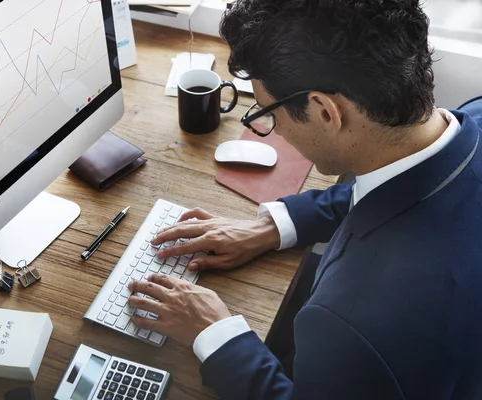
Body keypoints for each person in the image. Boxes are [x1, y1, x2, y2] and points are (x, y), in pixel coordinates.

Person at [127, 0, 482, 398]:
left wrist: (216, 334)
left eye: (268, 114)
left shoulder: (349, 323)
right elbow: (398, 185)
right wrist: (271, 227)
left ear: (326, 112)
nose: (274, 130)